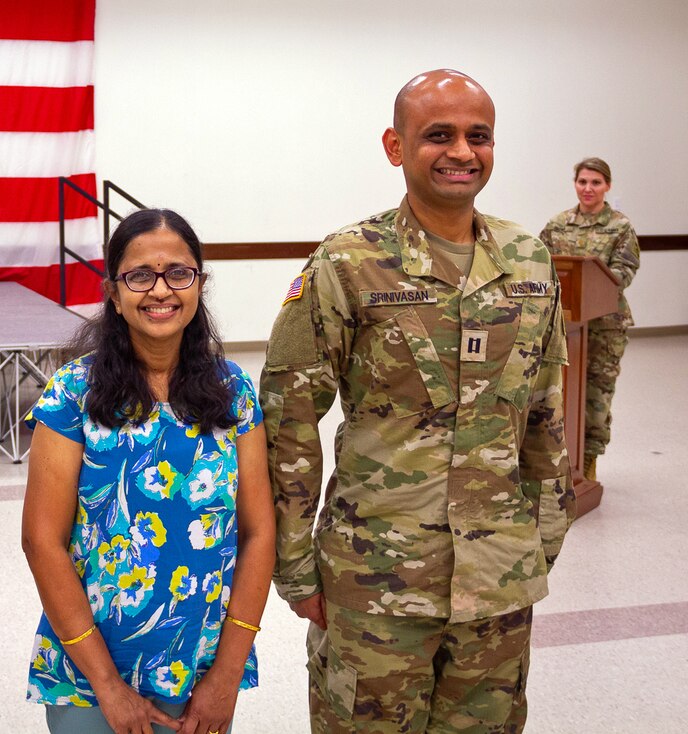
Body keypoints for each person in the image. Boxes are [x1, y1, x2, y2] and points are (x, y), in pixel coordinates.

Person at [261, 70, 575, 733]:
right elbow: (289, 420)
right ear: (395, 146)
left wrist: (546, 533)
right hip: (375, 580)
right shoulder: (347, 262)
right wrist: (294, 566)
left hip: (498, 575)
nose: (462, 152)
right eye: (439, 135)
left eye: (478, 136)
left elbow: (545, 409)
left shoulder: (529, 261)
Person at [21, 209, 275, 734]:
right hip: (90, 678)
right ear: (114, 293)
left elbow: (258, 533)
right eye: (139, 275)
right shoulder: (73, 393)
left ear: (200, 285)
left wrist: (226, 676)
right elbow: (41, 542)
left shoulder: (233, 393)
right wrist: (109, 690)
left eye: (178, 273)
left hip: (201, 671)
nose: (161, 290)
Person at [540, 157, 640, 481]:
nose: (588, 188)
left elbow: (623, 273)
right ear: (575, 184)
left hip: (605, 328)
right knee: (559, 394)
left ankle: (589, 462)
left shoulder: (620, 227)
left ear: (607, 186)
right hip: (566, 327)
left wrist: (592, 288)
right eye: (582, 182)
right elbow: (542, 263)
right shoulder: (558, 224)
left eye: (595, 182)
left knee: (596, 398)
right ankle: (560, 461)